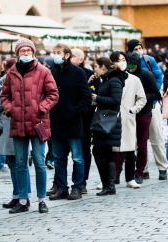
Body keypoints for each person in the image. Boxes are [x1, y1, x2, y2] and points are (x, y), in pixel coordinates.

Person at [1, 38, 59, 213]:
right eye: (22, 50)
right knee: (20, 163)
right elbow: (5, 95)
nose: (26, 53)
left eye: (28, 50)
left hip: (38, 123)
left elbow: (53, 94)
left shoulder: (43, 71)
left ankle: (42, 199)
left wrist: (41, 108)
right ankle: (23, 200)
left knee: (39, 162)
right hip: (18, 123)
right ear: (18, 53)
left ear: (33, 52)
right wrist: (10, 109)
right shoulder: (12, 73)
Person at [48, 44, 91, 200]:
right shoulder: (51, 72)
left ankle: (78, 187)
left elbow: (86, 97)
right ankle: (61, 187)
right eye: (54, 52)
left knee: (77, 157)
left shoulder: (78, 73)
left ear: (67, 55)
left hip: (73, 122)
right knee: (59, 157)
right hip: (56, 122)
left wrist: (74, 112)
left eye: (59, 53)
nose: (56, 55)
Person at [126, 39, 168, 181]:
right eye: (135, 49)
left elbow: (158, 78)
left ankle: (162, 167)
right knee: (139, 140)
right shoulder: (127, 64)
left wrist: (145, 96)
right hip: (134, 108)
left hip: (151, 105)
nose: (138, 51)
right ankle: (143, 170)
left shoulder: (149, 60)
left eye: (140, 48)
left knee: (156, 135)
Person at [0, 60, 33, 209]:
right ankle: (18, 195)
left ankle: (24, 196)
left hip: (13, 124)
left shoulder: (9, 81)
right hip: (12, 124)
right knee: (14, 163)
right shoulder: (12, 80)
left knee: (18, 163)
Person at [91, 54, 125, 195]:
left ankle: (109, 185)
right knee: (103, 152)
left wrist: (98, 98)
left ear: (103, 67)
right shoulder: (105, 80)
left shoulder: (114, 80)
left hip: (109, 121)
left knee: (101, 152)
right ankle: (108, 185)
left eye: (96, 67)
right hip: (104, 121)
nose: (95, 69)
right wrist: (92, 82)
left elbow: (116, 100)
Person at [113, 52, 146, 188]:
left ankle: (130, 178)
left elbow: (142, 98)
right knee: (113, 150)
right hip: (113, 118)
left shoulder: (134, 79)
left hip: (128, 117)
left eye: (123, 59)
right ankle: (112, 177)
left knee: (130, 149)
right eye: (118, 60)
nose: (121, 62)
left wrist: (133, 109)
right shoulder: (110, 78)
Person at [71, 48, 94, 193]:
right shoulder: (61, 72)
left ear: (81, 59)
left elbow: (89, 96)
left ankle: (82, 181)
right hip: (67, 118)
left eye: (73, 56)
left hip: (85, 118)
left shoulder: (88, 74)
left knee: (84, 149)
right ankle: (60, 184)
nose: (69, 58)